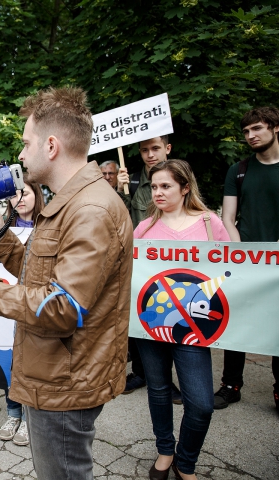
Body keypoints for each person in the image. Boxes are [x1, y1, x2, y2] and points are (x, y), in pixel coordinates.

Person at [0, 87, 133, 479]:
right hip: (55, 373)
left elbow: (61, 308)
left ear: (51, 145)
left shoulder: (89, 210)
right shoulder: (72, 202)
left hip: (65, 381)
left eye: (26, 143)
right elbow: (39, 274)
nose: (20, 155)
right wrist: (1, 238)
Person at [134, 159, 229, 480]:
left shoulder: (208, 223)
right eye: (155, 186)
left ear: (185, 187)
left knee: (201, 404)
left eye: (166, 186)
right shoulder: (144, 228)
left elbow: (233, 270)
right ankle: (165, 451)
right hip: (151, 326)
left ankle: (185, 462)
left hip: (193, 330)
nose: (157, 193)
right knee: (159, 391)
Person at [219, 106, 279, 412]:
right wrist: (240, 252)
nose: (251, 136)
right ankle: (231, 384)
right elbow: (229, 218)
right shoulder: (238, 170)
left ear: (275, 127)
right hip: (246, 259)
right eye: (246, 131)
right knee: (236, 321)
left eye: (257, 128)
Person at [117, 135, 173, 396]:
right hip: (141, 261)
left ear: (167, 149)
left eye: (155, 148)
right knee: (140, 318)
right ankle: (141, 372)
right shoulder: (135, 181)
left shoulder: (178, 177)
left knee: (170, 318)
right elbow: (124, 219)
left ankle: (164, 378)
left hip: (171, 260)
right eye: (144, 150)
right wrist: (121, 190)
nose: (150, 154)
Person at [0, 180, 45, 446]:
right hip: (8, 305)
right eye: (13, 195)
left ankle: (29, 419)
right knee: (11, 363)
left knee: (31, 363)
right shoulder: (2, 228)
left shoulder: (48, 227)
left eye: (25, 192)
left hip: (33, 305)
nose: (20, 198)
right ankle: (13, 414)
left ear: (37, 194)